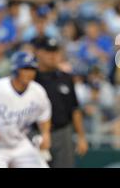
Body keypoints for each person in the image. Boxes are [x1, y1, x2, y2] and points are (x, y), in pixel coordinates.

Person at [34, 37, 88, 168]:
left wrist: (81, 136)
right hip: (35, 133)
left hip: (62, 133)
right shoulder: (31, 77)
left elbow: (74, 109)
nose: (52, 56)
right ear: (39, 53)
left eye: (55, 52)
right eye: (48, 51)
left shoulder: (66, 78)